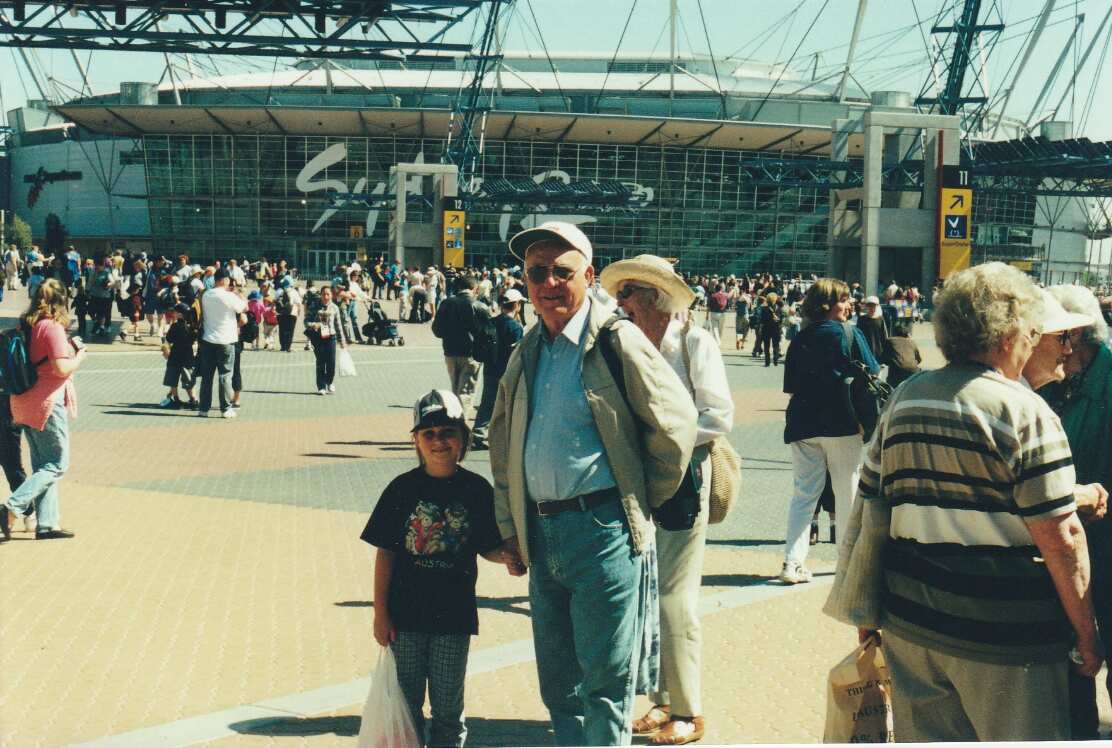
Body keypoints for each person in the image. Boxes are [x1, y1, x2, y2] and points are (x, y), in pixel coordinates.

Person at [825, 262, 1107, 742]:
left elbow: (872, 507)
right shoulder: (1025, 412)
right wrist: (1087, 633)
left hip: (914, 627)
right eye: (1031, 332)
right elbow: (1061, 537)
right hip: (1005, 639)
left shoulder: (906, 397)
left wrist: (866, 613)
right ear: (1006, 336)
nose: (1035, 341)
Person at [489, 221, 697, 745]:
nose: (548, 283)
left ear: (588, 274)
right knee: (558, 683)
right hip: (542, 533)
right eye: (537, 272)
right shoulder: (527, 348)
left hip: (602, 531)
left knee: (605, 683)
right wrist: (510, 524)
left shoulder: (615, 340)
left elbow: (675, 425)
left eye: (562, 271)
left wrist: (637, 499)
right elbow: (502, 441)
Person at [601, 254, 734, 746]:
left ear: (656, 297)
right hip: (639, 478)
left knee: (676, 597)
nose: (620, 303)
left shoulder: (695, 343)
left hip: (685, 478)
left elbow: (718, 415)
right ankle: (661, 699)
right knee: (650, 592)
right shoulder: (625, 345)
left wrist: (663, 443)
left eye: (628, 293)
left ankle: (688, 710)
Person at [360, 389, 521, 747]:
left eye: (448, 432)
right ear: (416, 440)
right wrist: (380, 613)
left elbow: (486, 546)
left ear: (463, 437)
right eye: (428, 433)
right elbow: (386, 553)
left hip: (453, 618)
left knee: (448, 711)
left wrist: (507, 556)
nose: (439, 441)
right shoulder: (402, 489)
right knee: (405, 708)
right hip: (405, 620)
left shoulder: (477, 489)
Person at [1034, 286, 1112, 739]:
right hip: (1066, 550)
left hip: (1102, 546)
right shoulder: (1049, 380)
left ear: (1074, 335)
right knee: (1074, 668)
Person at [779, 278, 879, 584]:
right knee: (847, 491)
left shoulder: (801, 337)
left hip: (803, 424)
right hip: (843, 423)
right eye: (844, 299)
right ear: (828, 305)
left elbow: (790, 386)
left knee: (803, 495)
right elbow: (873, 371)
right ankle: (846, 560)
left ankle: (792, 562)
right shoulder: (850, 333)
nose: (849, 305)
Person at [0, 279, 87, 541]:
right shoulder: (52, 327)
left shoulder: (27, 324)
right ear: (62, 301)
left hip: (23, 401)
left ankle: (47, 524)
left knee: (43, 464)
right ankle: (11, 508)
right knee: (57, 464)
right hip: (46, 402)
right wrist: (79, 356)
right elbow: (61, 368)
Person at [470, 288, 525, 451]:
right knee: (510, 403)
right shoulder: (515, 327)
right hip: (508, 370)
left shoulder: (492, 322)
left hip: (490, 368)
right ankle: (506, 435)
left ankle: (479, 433)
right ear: (517, 305)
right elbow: (518, 353)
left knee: (487, 401)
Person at [432, 275, 489, 419]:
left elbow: (437, 330)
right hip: (471, 354)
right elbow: (488, 332)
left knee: (455, 388)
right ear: (474, 288)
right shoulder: (479, 306)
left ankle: (453, 419)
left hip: (450, 352)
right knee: (466, 392)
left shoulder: (446, 303)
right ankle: (460, 424)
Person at [196, 268, 247, 419]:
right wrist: (240, 295)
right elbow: (242, 307)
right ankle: (225, 408)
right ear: (225, 280)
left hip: (208, 339)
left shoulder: (206, 295)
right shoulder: (228, 295)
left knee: (207, 376)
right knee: (225, 375)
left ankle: (203, 408)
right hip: (226, 340)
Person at [305, 285, 347, 395]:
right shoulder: (315, 306)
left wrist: (342, 340)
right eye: (324, 294)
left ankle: (330, 382)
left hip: (331, 337)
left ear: (331, 295)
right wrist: (314, 325)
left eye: (328, 294)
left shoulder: (334, 308)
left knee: (331, 362)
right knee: (320, 362)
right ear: (321, 295)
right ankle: (321, 386)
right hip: (318, 337)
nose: (326, 296)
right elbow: (306, 321)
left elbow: (338, 325)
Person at [159, 303, 197, 409]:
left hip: (175, 355)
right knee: (188, 380)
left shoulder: (175, 326)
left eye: (174, 312)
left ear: (180, 314)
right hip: (188, 356)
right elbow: (193, 340)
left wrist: (165, 349)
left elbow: (169, 339)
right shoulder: (192, 327)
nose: (173, 313)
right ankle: (193, 399)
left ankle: (176, 400)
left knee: (173, 379)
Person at [881, 320, 921, 387]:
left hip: (897, 373)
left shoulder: (890, 341)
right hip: (913, 371)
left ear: (894, 332)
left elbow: (883, 358)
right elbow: (919, 360)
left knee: (891, 383)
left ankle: (893, 391)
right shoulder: (912, 342)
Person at [856, 296, 889, 369]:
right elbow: (858, 336)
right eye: (870, 306)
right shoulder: (861, 319)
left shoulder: (880, 319)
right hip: (866, 350)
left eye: (874, 306)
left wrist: (886, 353)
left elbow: (884, 336)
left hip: (879, 352)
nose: (872, 308)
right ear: (866, 307)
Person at [275, 277, 301, 353]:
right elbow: (298, 303)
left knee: (282, 330)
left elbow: (275, 301)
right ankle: (288, 346)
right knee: (290, 330)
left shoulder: (278, 291)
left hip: (280, 313)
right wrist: (298, 312)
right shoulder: (294, 292)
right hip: (292, 313)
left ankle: (283, 346)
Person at [759, 292, 783, 367]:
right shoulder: (779, 308)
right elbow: (781, 319)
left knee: (766, 346)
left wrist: (760, 328)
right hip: (776, 328)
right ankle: (775, 360)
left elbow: (762, 320)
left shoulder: (764, 309)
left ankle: (767, 362)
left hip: (766, 328)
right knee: (776, 345)